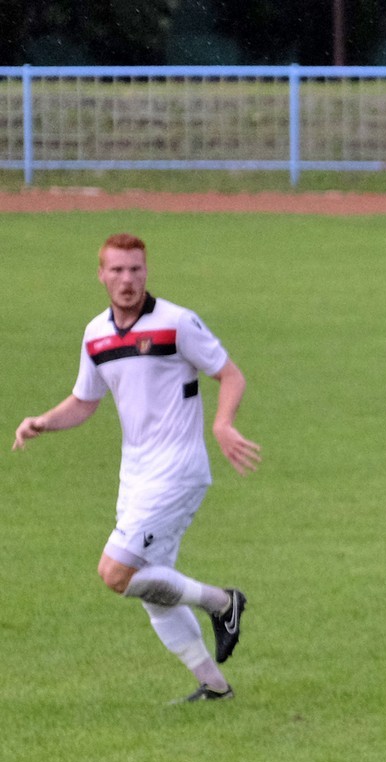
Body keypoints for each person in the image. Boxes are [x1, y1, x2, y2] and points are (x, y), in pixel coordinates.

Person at [13, 232, 257, 702]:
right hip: (136, 475)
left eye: (135, 269)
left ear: (146, 272)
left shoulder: (176, 323)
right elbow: (85, 401)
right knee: (151, 588)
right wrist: (43, 422)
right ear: (101, 275)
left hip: (178, 471)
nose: (127, 279)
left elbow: (230, 375)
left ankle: (223, 602)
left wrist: (222, 423)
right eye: (117, 270)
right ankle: (215, 687)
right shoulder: (96, 334)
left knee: (115, 573)